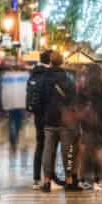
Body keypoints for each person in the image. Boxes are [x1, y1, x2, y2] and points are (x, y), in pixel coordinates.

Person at [37, 51, 74, 190]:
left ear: (50, 62)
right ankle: (69, 180)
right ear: (62, 62)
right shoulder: (67, 78)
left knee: (48, 151)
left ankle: (46, 181)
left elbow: (40, 99)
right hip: (64, 121)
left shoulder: (44, 79)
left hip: (49, 120)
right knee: (67, 151)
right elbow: (72, 99)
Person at [0, 58, 29, 159]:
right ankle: (16, 138)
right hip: (21, 103)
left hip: (10, 103)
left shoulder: (4, 76)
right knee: (18, 122)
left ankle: (13, 140)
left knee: (12, 121)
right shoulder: (26, 76)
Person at [27, 53, 52, 186]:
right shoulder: (48, 74)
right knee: (50, 146)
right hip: (49, 114)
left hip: (37, 114)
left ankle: (36, 179)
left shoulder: (33, 74)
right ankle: (49, 178)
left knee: (40, 144)